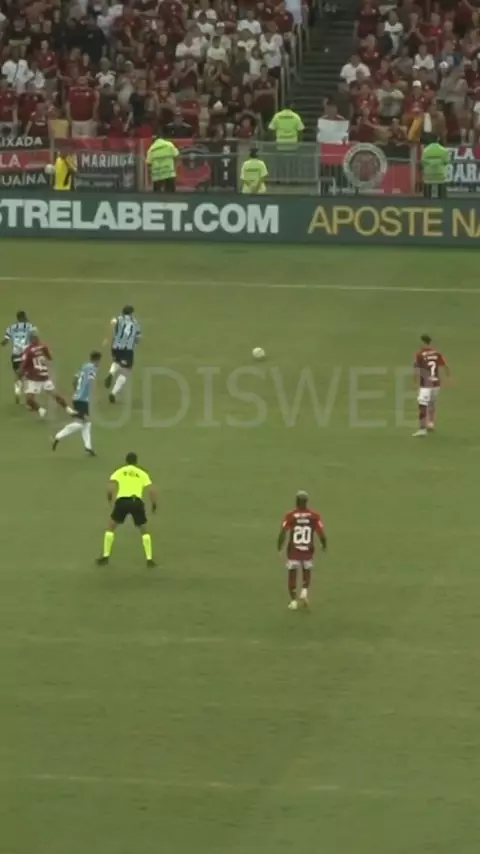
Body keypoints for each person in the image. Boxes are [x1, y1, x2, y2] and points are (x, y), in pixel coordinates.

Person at [96, 452, 157, 567]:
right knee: (144, 531)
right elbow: (151, 490)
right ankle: (149, 559)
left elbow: (111, 487)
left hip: (122, 502)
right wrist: (154, 504)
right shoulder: (142, 473)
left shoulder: (120, 471)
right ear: (136, 461)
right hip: (136, 502)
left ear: (126, 461)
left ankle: (105, 556)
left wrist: (110, 499)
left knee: (110, 528)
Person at [277, 490, 327, 610]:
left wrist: (280, 546)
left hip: (294, 550)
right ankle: (304, 591)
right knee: (307, 571)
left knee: (292, 575)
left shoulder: (290, 516)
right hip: (307, 550)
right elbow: (321, 533)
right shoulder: (314, 516)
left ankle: (293, 601)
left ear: (296, 501)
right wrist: (324, 545)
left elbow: (283, 532)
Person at [52, 351, 102, 456]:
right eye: (99, 361)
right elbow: (91, 381)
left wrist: (77, 391)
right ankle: (58, 436)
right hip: (83, 400)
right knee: (81, 422)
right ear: (97, 360)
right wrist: (95, 393)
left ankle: (88, 446)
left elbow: (74, 379)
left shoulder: (84, 366)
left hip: (78, 397)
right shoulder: (93, 368)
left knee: (87, 422)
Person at [20, 333, 74, 419]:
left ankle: (40, 410)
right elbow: (50, 358)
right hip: (44, 376)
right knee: (55, 395)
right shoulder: (43, 347)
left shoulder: (28, 350)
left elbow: (23, 364)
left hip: (34, 378)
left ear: (30, 340)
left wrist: (20, 373)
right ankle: (68, 409)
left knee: (29, 399)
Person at [413, 334, 449, 438]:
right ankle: (431, 423)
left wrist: (415, 382)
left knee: (422, 405)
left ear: (423, 342)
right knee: (432, 403)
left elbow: (416, 369)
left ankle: (422, 429)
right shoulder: (437, 353)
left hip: (426, 384)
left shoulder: (420, 354)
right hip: (436, 384)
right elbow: (445, 366)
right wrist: (447, 378)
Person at [104, 305, 141, 403]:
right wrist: (134, 342)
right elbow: (138, 338)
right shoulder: (135, 323)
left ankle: (111, 373)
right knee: (125, 371)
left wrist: (107, 339)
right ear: (131, 313)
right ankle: (113, 393)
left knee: (116, 362)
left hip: (115, 347)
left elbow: (112, 324)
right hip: (127, 350)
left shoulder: (118, 318)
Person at [1, 310, 36, 402]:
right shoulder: (30, 326)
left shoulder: (11, 328)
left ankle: (17, 390)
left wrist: (2, 344)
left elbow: (5, 341)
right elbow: (35, 338)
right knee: (30, 374)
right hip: (27, 353)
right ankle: (29, 397)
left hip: (15, 354)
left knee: (18, 374)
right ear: (24, 317)